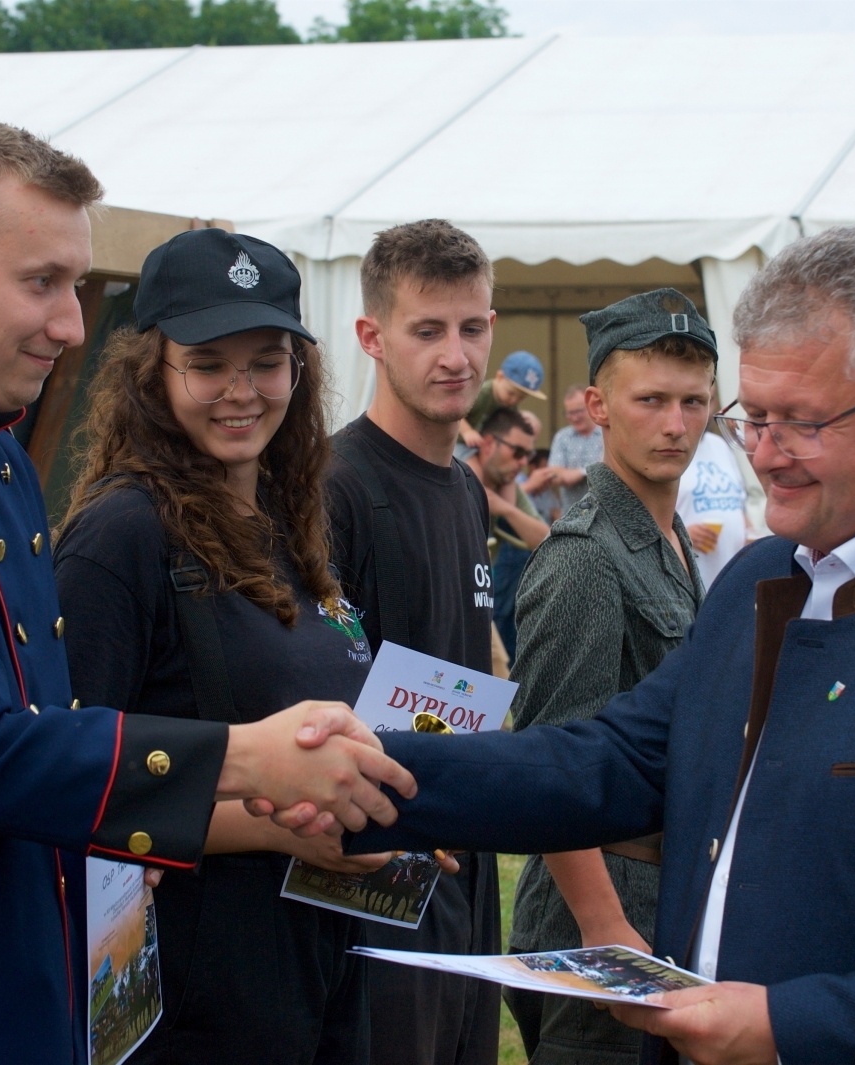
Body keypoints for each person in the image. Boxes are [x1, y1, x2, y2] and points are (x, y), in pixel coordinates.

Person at [327, 227, 855, 1065]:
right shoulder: (762, 581)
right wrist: (357, 772)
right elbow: (608, 763)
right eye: (752, 417)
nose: (761, 452)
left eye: (798, 422)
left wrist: (788, 1027)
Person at [0, 120, 413, 1065]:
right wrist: (243, 760)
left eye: (75, 285)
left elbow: (57, 750)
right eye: (42, 282)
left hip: (25, 987)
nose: (70, 322)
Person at [54, 229, 396, 1062]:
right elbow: (68, 785)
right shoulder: (120, 537)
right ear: (152, 373)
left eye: (268, 361)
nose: (242, 390)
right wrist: (282, 827)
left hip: (317, 970)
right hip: (195, 1001)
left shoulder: (289, 521)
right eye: (208, 363)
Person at [505, 288, 714, 1065]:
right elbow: (548, 762)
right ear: (597, 406)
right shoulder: (588, 554)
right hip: (599, 913)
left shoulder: (665, 535)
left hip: (661, 890)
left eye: (693, 401)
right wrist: (605, 929)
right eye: (651, 399)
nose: (675, 423)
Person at [325, 218, 502, 1065]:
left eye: (472, 327)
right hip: (373, 871)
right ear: (372, 337)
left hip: (465, 846)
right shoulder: (335, 488)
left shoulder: (466, 487)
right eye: (427, 331)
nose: (455, 354)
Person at [466, 407, 550, 663]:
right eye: (518, 452)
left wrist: (506, 510)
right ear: (489, 444)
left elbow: (546, 541)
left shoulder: (504, 484)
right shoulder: (458, 477)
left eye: (528, 455)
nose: (524, 462)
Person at [675, 384, 751, 591]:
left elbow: (739, 502)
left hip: (733, 581)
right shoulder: (669, 451)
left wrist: (750, 535)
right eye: (692, 401)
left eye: (710, 401)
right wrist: (682, 536)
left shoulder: (720, 445)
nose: (706, 409)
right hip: (691, 586)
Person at [456, 348, 546, 451]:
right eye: (510, 393)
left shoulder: (510, 403)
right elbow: (456, 413)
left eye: (521, 398)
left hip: (482, 446)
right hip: (459, 442)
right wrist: (467, 432)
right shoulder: (481, 393)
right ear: (500, 377)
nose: (513, 400)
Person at [545, 382, 605, 515]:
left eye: (578, 411)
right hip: (572, 514)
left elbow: (607, 468)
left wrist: (580, 473)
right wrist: (562, 475)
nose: (574, 417)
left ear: (591, 407)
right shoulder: (562, 437)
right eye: (569, 413)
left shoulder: (606, 433)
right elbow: (553, 474)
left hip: (605, 513)